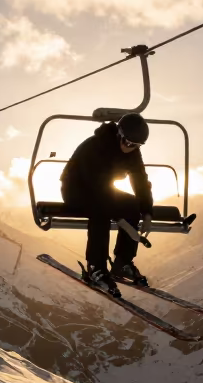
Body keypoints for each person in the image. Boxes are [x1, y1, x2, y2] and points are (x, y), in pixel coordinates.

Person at [60, 112, 153, 296]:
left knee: (131, 205)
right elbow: (95, 185)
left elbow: (140, 180)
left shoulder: (133, 152)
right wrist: (118, 217)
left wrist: (147, 211)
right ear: (119, 134)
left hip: (103, 190)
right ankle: (96, 266)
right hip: (76, 188)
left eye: (136, 145)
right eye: (128, 143)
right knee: (100, 211)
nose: (130, 148)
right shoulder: (96, 146)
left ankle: (122, 262)